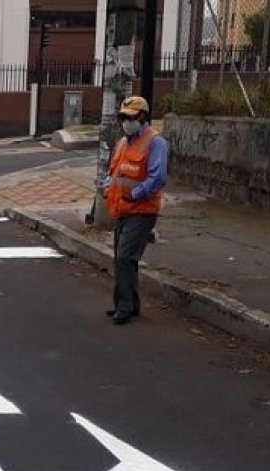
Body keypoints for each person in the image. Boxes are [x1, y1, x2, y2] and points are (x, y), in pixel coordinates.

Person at [102, 96, 169, 325]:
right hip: (121, 209)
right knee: (123, 259)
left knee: (125, 257)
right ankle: (130, 304)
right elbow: (113, 173)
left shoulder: (155, 142)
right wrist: (106, 187)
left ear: (143, 118)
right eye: (123, 117)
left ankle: (124, 308)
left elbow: (158, 178)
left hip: (142, 210)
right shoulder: (122, 143)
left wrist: (136, 193)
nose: (125, 122)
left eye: (130, 118)